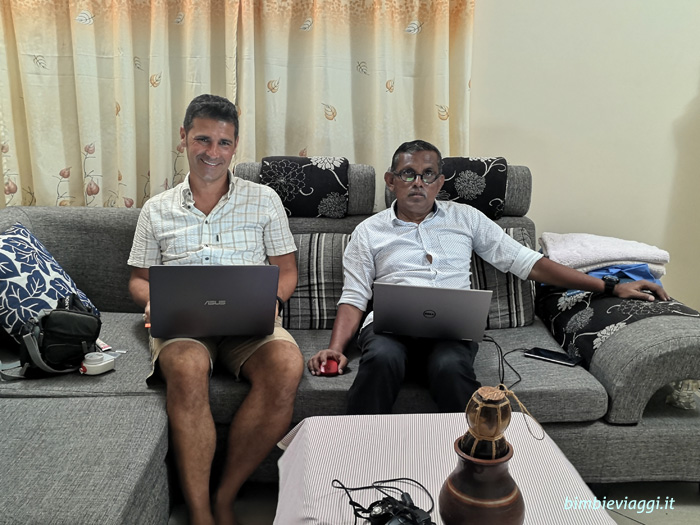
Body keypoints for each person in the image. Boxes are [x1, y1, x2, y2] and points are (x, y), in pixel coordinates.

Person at [307, 139, 670, 414]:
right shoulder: (369, 231)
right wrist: (336, 349)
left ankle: (469, 459)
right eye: (408, 174)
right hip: (388, 330)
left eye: (428, 174)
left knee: (450, 366)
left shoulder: (465, 218)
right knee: (383, 359)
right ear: (391, 181)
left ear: (439, 182)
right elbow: (354, 296)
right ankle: (359, 453)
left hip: (450, 330)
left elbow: (529, 263)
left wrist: (610, 286)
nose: (418, 182)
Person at [128, 94, 303, 525]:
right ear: (184, 137)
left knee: (286, 364)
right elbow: (138, 278)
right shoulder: (157, 209)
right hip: (184, 325)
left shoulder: (264, 200)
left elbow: (286, 271)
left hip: (250, 323)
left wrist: (273, 302)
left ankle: (226, 495)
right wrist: (151, 300)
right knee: (186, 368)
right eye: (203, 139)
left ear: (235, 146)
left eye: (224, 143)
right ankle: (201, 512)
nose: (213, 152)